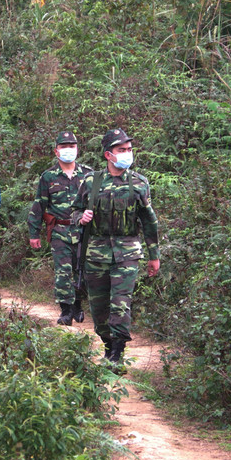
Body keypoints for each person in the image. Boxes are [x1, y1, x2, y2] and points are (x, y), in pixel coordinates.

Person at [75, 128, 160, 368]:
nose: (127, 154)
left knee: (120, 304)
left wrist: (155, 256)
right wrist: (81, 217)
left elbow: (149, 221)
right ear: (108, 155)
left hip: (128, 253)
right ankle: (107, 345)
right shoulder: (92, 181)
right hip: (96, 254)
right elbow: (73, 211)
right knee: (99, 308)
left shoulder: (139, 183)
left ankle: (118, 352)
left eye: (129, 150)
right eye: (121, 150)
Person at [27, 130, 93, 325]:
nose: (68, 150)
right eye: (64, 147)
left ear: (77, 149)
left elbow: (96, 203)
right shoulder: (48, 177)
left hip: (83, 232)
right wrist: (34, 233)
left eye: (72, 146)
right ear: (57, 151)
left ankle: (78, 306)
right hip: (60, 231)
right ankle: (66, 310)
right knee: (63, 271)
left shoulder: (88, 174)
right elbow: (39, 206)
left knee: (81, 270)